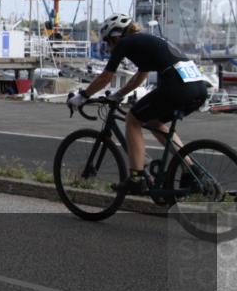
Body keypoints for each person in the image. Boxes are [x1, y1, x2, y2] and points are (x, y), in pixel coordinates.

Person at [67, 13, 209, 193]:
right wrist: (118, 95)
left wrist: (82, 96)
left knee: (133, 120)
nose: (107, 47)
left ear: (115, 35)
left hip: (177, 87)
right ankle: (191, 171)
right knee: (154, 122)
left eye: (106, 42)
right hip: (198, 88)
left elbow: (105, 77)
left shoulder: (126, 43)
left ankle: (136, 178)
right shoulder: (144, 41)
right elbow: (140, 77)